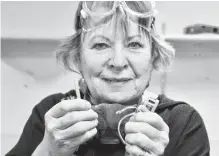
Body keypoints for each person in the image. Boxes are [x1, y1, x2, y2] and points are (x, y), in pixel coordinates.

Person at [6, 1, 210, 156]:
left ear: (153, 56)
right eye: (100, 45)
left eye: (135, 44)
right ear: (78, 57)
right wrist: (48, 151)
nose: (118, 62)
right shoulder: (53, 119)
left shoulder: (182, 124)